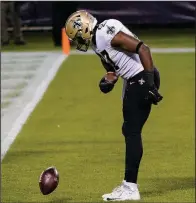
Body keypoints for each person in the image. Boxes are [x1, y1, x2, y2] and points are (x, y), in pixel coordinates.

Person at [65, 10, 163, 201]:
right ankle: (129, 185)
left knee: (132, 131)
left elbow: (143, 49)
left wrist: (150, 85)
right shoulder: (97, 39)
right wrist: (108, 79)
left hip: (141, 78)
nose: (78, 41)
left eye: (77, 36)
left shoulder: (104, 33)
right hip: (135, 79)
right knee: (129, 130)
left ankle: (130, 188)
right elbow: (113, 68)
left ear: (84, 29)